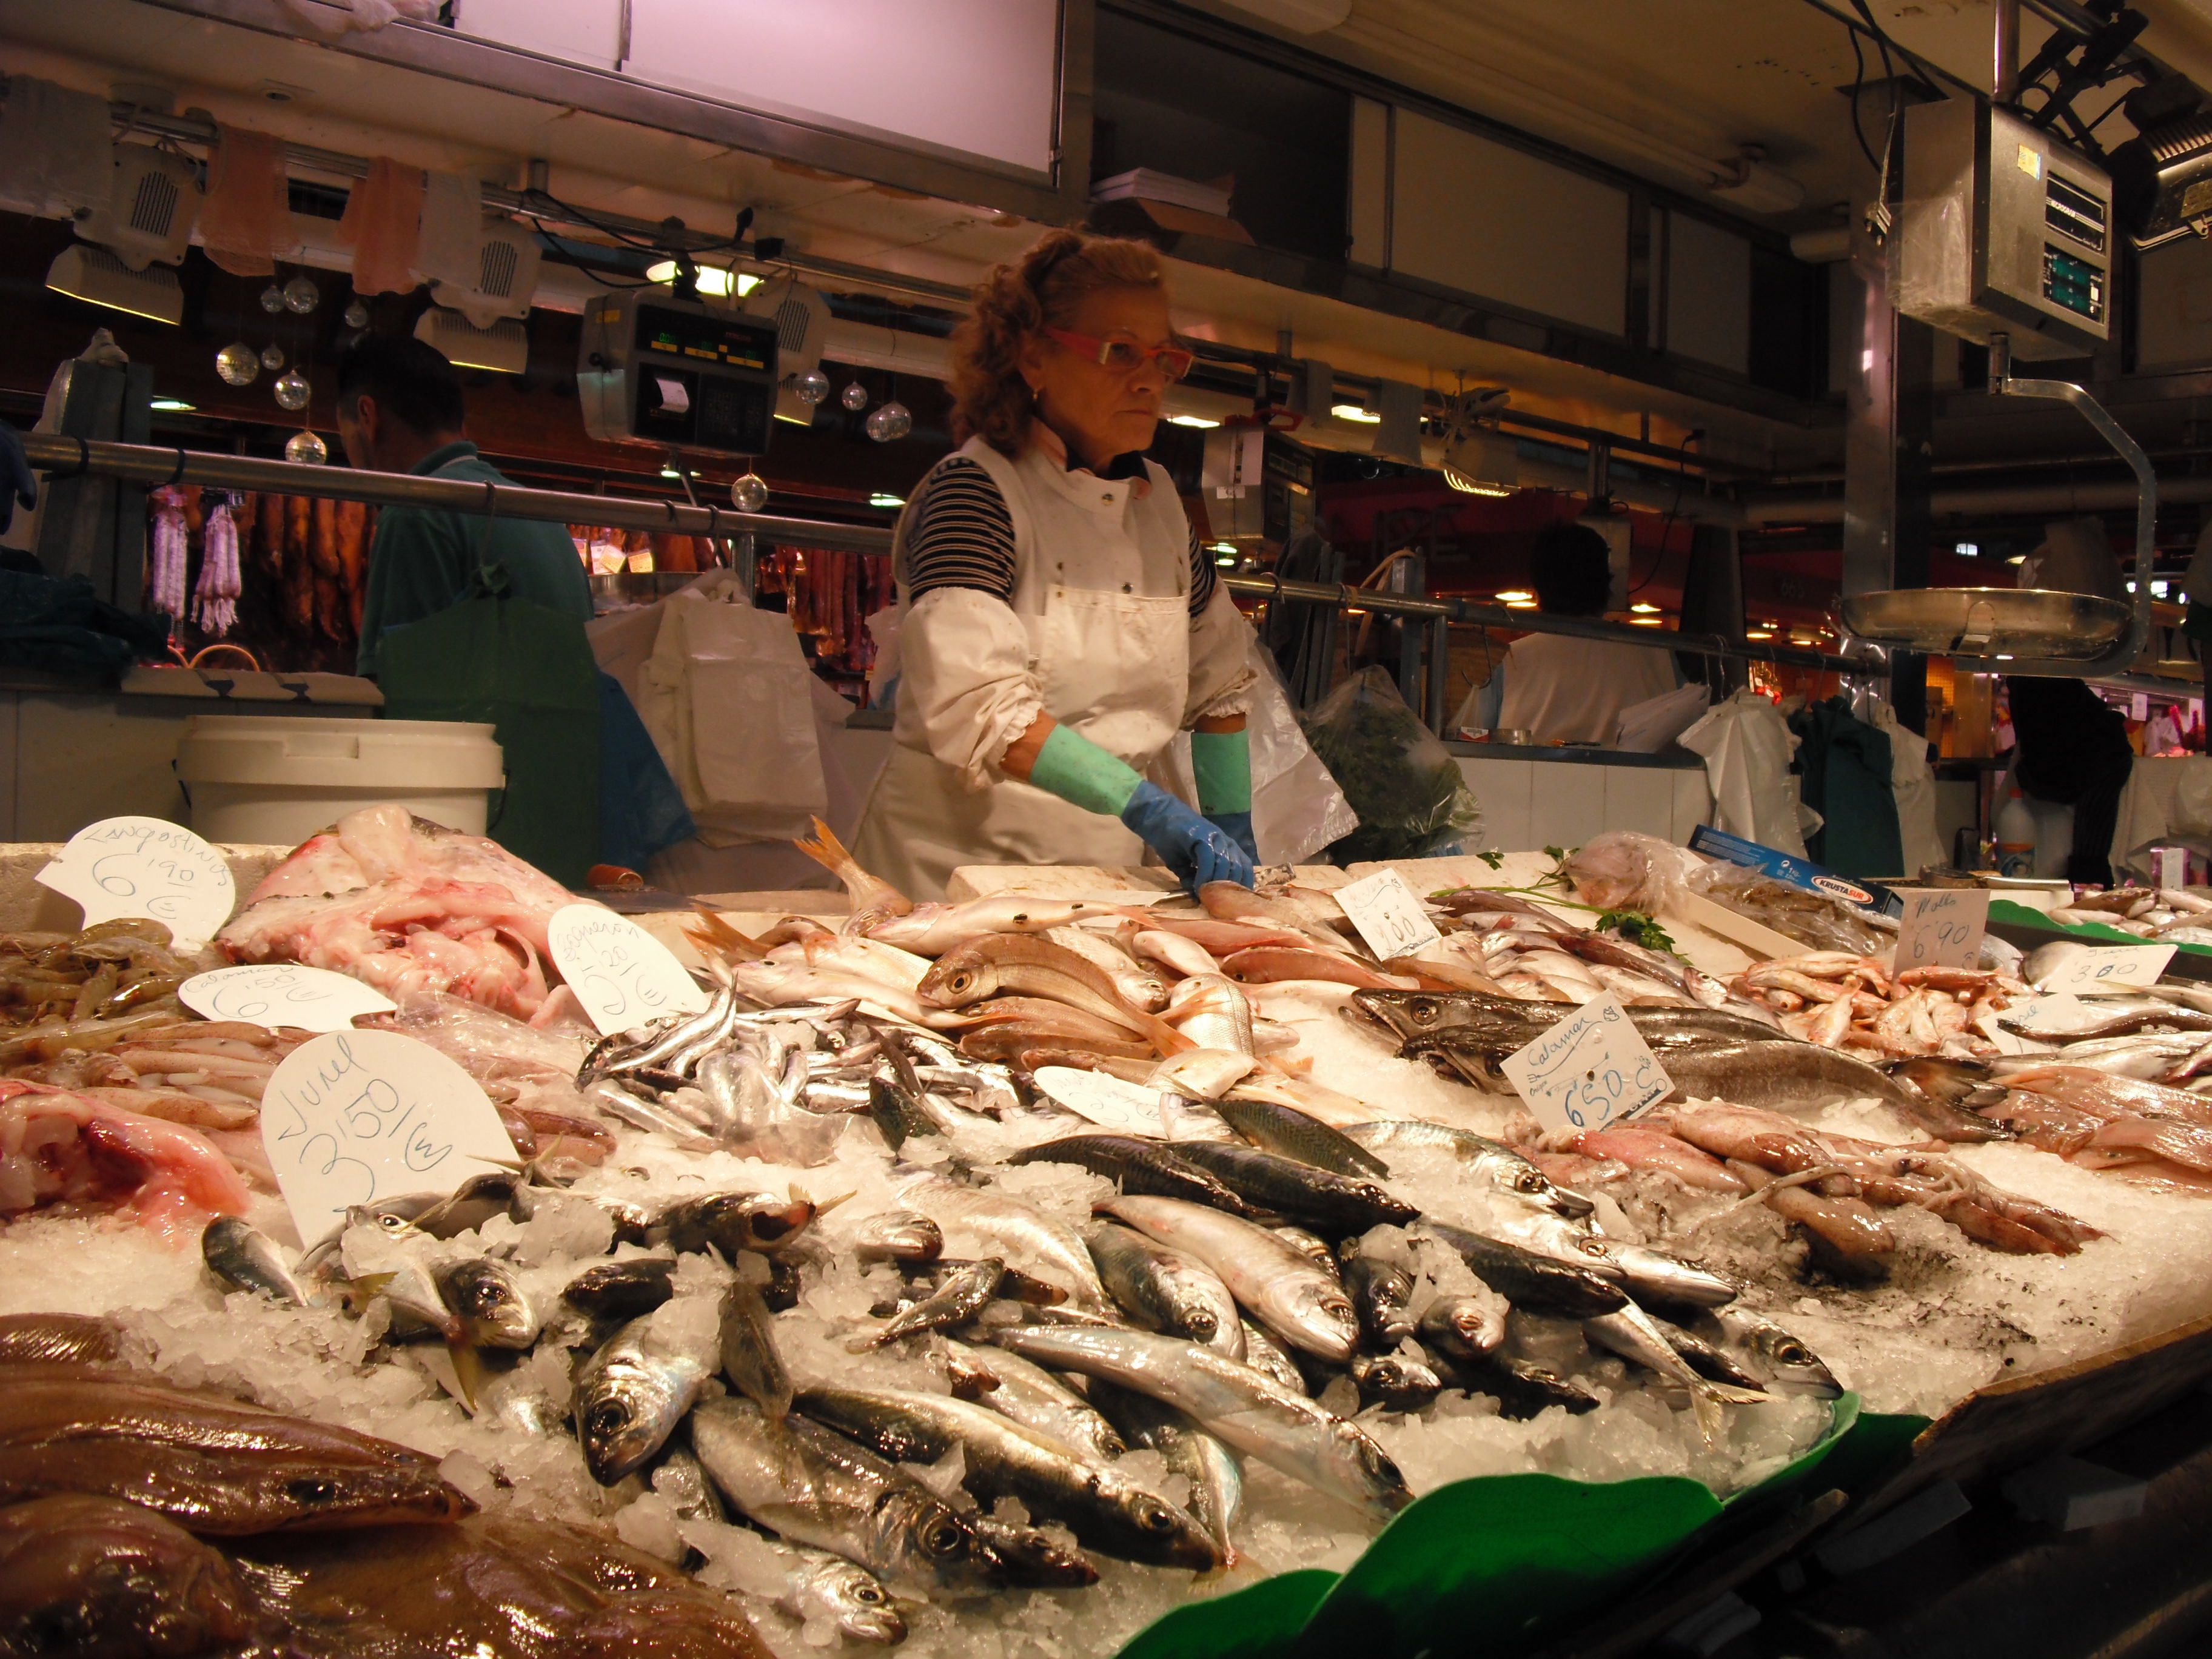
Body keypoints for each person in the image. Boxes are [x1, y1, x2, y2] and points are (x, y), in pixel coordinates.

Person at [851, 230, 1259, 900]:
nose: (1149, 379)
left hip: (1103, 875)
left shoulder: (1160, 507)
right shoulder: (976, 493)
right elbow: (981, 706)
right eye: (1119, 351)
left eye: (1164, 358)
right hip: (949, 878)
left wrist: (1232, 825)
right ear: (1034, 356)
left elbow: (1221, 681)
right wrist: (1148, 808)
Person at [335, 334, 592, 676]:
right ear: (460, 424)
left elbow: (394, 686)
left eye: (345, 439)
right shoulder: (543, 516)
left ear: (368, 416)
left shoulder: (416, 513)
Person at [1471, 519, 1679, 745]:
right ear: (1607, 585)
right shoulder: (1661, 657)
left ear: (1538, 591)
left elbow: (1470, 741)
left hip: (1526, 769)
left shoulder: (1510, 660)